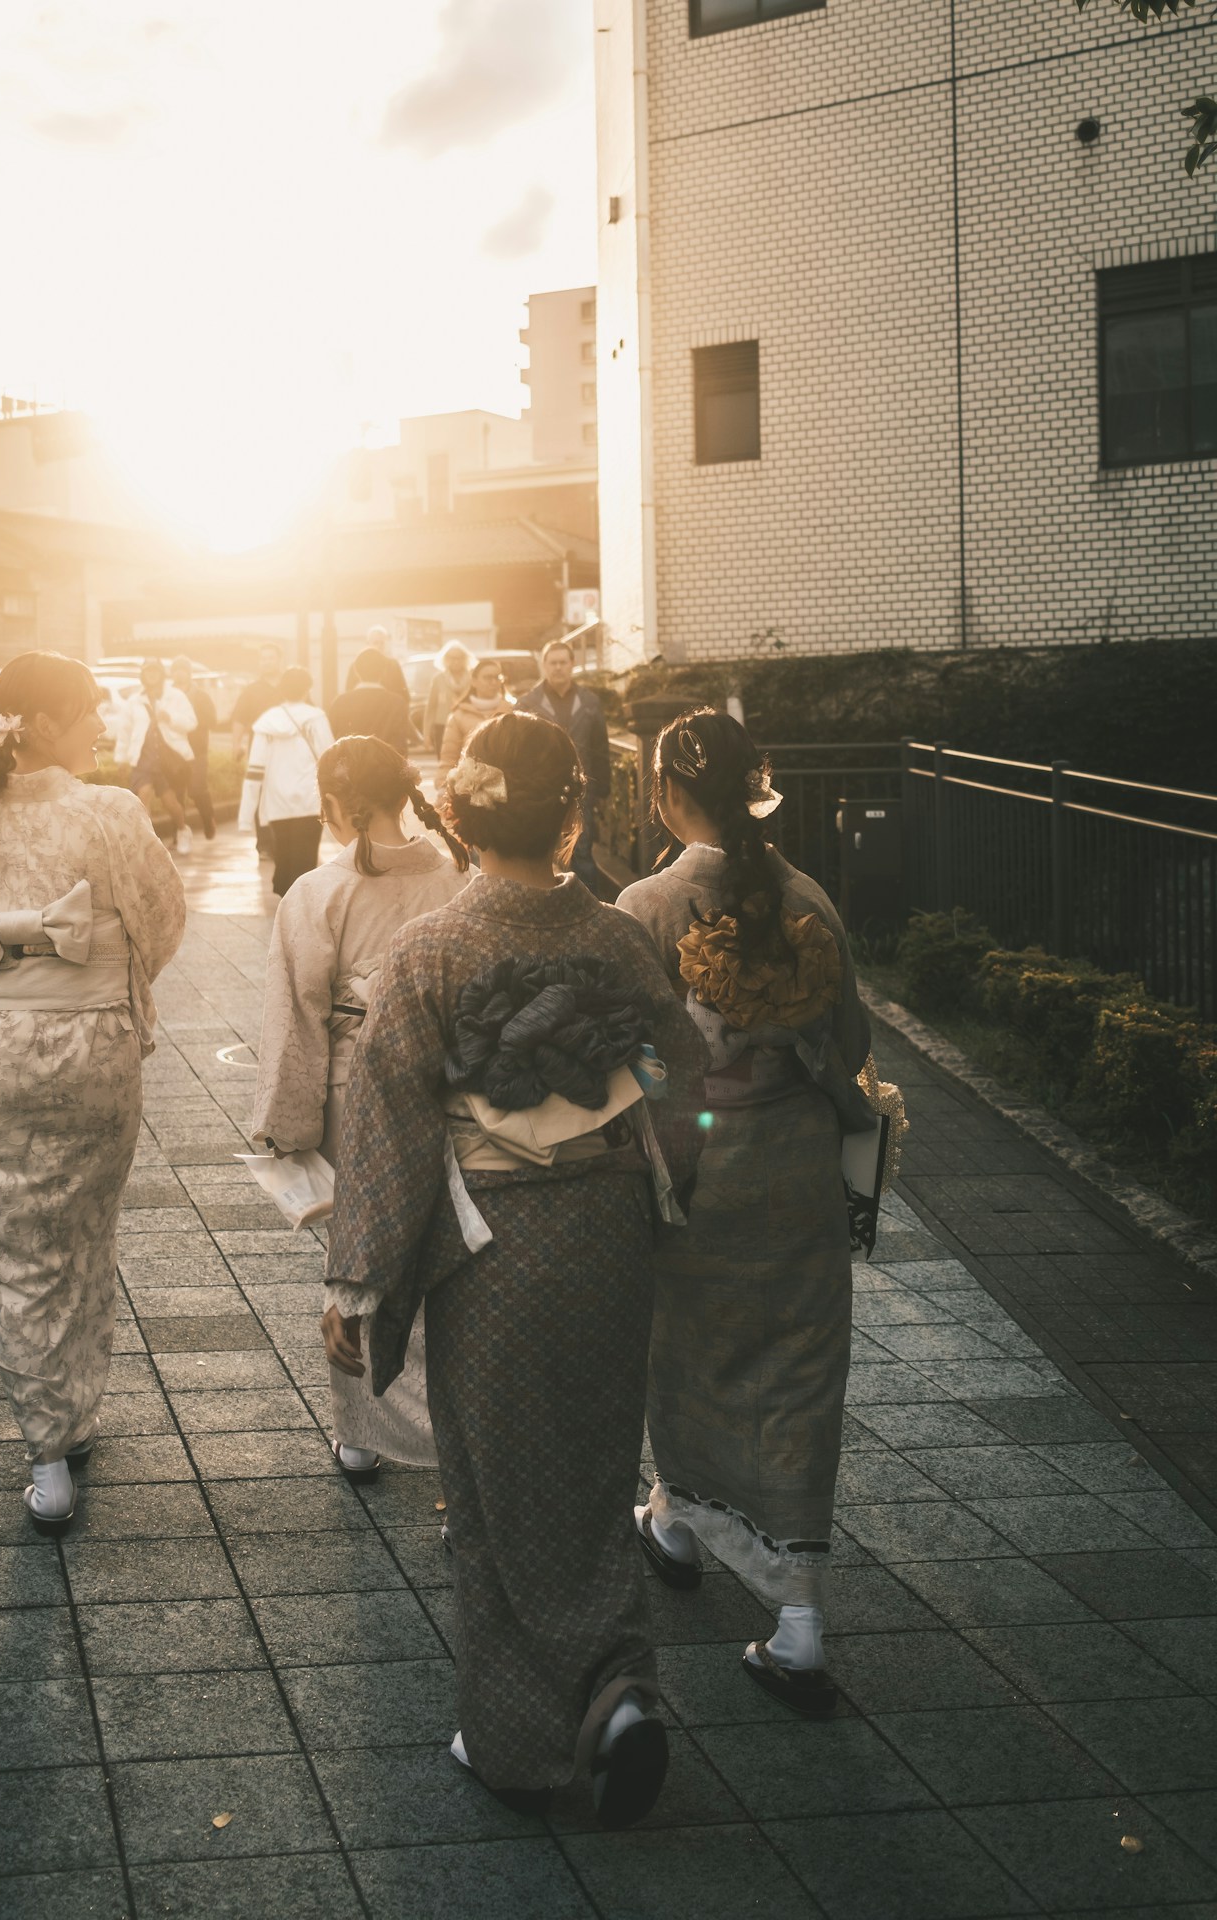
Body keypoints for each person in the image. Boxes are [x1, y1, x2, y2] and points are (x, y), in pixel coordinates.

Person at [322, 712, 704, 1828]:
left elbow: (389, 1121)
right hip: (608, 1230)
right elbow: (679, 1081)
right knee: (590, 1471)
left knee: (493, 1489)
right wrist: (670, 1192)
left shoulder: (434, 949)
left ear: (463, 812)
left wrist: (358, 1285)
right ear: (572, 814)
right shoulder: (622, 940)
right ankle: (620, 1687)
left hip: (495, 1243)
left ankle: (526, 1742)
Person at [616, 707, 876, 1719]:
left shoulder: (646, 905)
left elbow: (631, 1057)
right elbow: (847, 1037)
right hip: (798, 1168)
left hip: (696, 1170)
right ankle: (797, 1619)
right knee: (798, 1371)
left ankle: (680, 1523)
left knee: (687, 1358)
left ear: (667, 794)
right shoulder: (806, 897)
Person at [0, 651, 186, 1536]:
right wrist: (110, 978)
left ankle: (46, 1452)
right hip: (96, 1053)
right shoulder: (111, 812)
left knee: (9, 1248)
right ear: (34, 723)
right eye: (86, 713)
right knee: (81, 1235)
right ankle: (75, 1415)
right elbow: (161, 918)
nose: (101, 727)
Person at [251, 736, 471, 1482]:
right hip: (451, 1088)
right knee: (446, 1254)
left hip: (357, 1091)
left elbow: (296, 1022)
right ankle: (453, 1428)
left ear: (340, 804)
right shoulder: (458, 874)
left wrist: (289, 1129)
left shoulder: (319, 891)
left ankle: (361, 1433)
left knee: (360, 1253)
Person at [516, 638, 612, 895]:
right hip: (539, 790)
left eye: (563, 662)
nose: (558, 667)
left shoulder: (590, 701)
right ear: (544, 665)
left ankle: (591, 909)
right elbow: (519, 752)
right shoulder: (527, 703)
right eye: (552, 662)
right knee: (538, 853)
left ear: (572, 664)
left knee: (581, 852)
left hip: (582, 789)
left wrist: (603, 790)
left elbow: (600, 747)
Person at [238, 665, 334, 897]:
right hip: (310, 797)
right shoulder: (316, 717)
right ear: (307, 688)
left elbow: (254, 770)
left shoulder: (267, 721)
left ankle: (284, 897)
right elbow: (330, 757)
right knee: (306, 855)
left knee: (283, 852)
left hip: (276, 799)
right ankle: (300, 903)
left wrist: (245, 816)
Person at [119, 658, 200, 855]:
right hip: (143, 759)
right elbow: (125, 731)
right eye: (148, 671)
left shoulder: (176, 696)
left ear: (162, 674)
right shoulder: (134, 700)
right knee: (143, 795)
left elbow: (192, 723)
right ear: (143, 675)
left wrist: (170, 718)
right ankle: (147, 843)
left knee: (171, 802)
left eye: (155, 671)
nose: (152, 675)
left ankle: (182, 830)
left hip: (167, 760)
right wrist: (121, 757)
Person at [436, 655, 515, 783]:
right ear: (474, 681)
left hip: (508, 785)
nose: (493, 682)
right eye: (487, 677)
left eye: (497, 677)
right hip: (469, 788)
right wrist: (443, 786)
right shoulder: (458, 716)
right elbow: (448, 758)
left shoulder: (512, 712)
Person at [169, 656, 219, 840]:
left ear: (189, 673)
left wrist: (190, 721)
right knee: (176, 794)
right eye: (175, 670)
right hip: (173, 752)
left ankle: (208, 820)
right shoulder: (167, 695)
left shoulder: (201, 696)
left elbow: (213, 720)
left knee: (197, 789)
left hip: (197, 751)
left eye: (182, 669)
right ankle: (179, 834)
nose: (178, 673)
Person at [328, 645, 411, 754]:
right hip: (385, 766)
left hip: (350, 766)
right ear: (384, 671)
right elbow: (400, 744)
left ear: (356, 671)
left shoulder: (340, 702)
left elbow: (331, 741)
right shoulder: (397, 703)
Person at [230, 642, 286, 761]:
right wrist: (236, 744)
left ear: (280, 660)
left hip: (288, 748)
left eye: (271, 658)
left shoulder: (291, 686)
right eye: (263, 659)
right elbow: (239, 718)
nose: (267, 662)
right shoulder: (251, 690)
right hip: (260, 750)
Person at [423, 641, 473, 756]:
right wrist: (426, 735)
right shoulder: (438, 679)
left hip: (466, 726)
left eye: (459, 658)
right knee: (444, 762)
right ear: (446, 660)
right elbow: (431, 708)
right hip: (442, 727)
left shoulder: (472, 678)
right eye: (452, 658)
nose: (456, 661)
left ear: (465, 659)